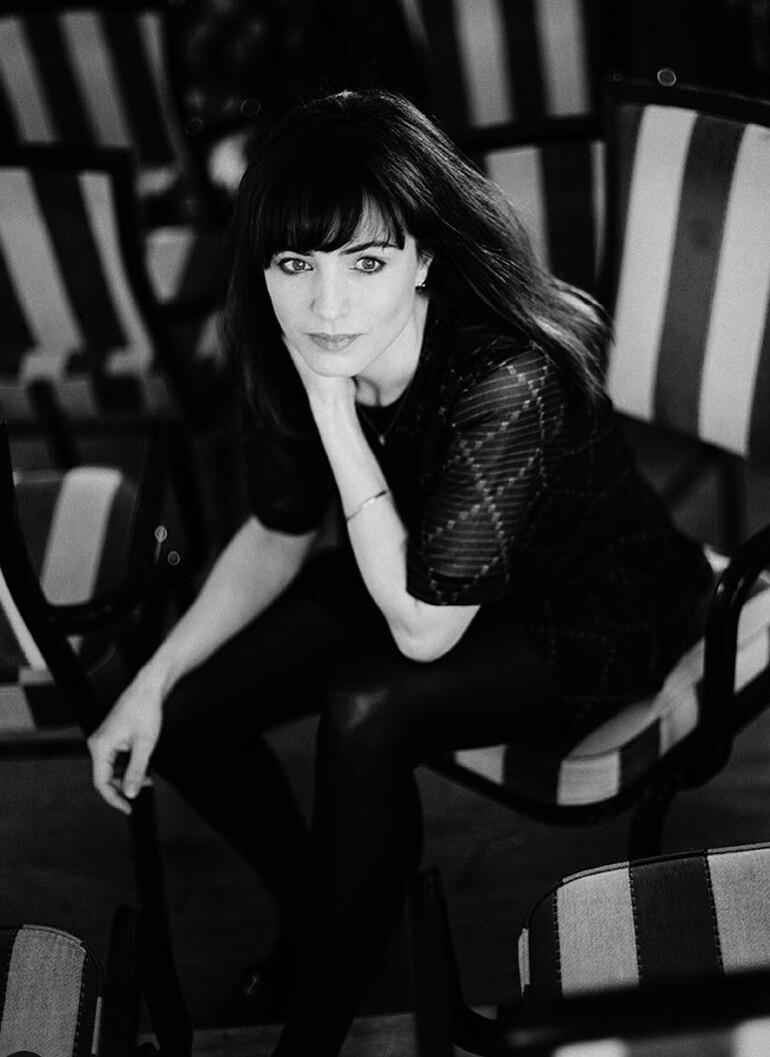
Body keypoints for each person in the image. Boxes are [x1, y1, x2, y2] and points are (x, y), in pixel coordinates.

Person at [87, 88, 714, 1054]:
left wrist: (333, 412)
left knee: (367, 708)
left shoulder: (508, 376)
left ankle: (312, 1030)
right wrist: (150, 678)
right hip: (406, 563)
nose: (328, 305)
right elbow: (279, 530)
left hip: (585, 606)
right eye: (295, 263)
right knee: (189, 710)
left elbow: (424, 630)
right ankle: (329, 912)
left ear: (423, 258)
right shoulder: (289, 335)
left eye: (367, 262)